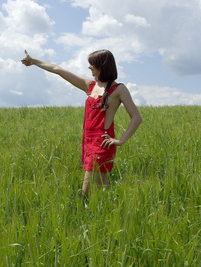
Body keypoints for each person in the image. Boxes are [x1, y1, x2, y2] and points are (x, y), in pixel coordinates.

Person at [21, 49, 142, 197]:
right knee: (102, 189)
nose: (89, 67)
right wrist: (33, 61)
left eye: (92, 64)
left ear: (102, 65)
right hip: (88, 141)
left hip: (102, 143)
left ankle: (88, 212)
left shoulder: (119, 89)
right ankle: (112, 211)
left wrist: (121, 140)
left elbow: (136, 117)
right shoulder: (89, 85)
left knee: (86, 192)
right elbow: (58, 70)